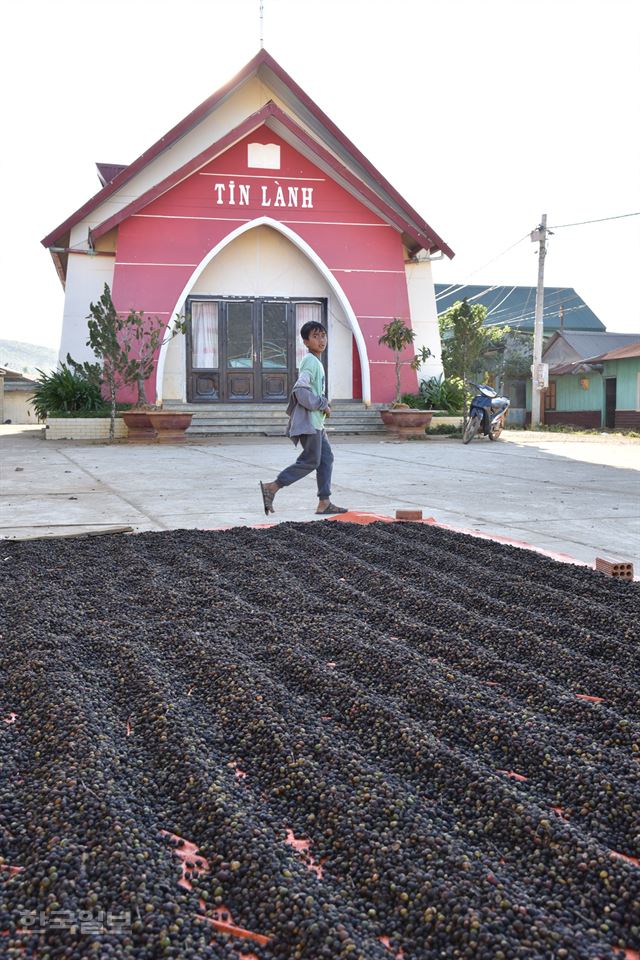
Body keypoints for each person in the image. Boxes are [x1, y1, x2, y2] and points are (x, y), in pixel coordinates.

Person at [259, 320, 348, 516]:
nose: (321, 340)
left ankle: (324, 502)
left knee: (326, 459)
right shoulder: (310, 361)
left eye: (323, 335)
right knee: (310, 461)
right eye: (315, 336)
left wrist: (322, 405)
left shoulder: (316, 362)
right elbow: (300, 390)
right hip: (310, 424)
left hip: (318, 423)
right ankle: (272, 487)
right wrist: (322, 404)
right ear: (306, 342)